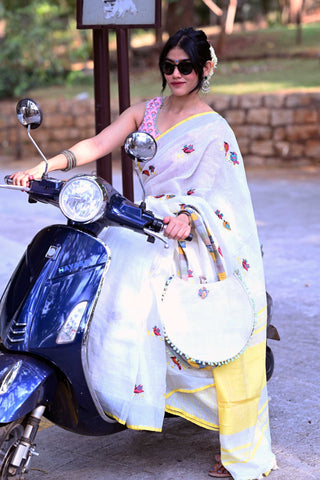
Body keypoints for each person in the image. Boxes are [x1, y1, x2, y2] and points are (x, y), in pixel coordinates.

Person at [11, 27, 277, 480]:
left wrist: (191, 220)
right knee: (101, 293)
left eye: (185, 67)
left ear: (204, 69)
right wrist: (43, 166)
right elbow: (97, 145)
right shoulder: (146, 112)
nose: (175, 74)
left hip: (189, 234)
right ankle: (107, 398)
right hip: (142, 223)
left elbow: (222, 196)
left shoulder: (214, 128)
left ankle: (236, 443)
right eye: (168, 66)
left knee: (188, 318)